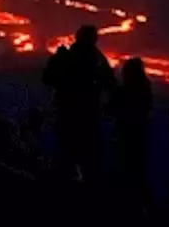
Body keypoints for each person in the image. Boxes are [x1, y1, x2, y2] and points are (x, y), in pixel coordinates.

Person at [42, 25, 116, 184]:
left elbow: (48, 78)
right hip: (86, 116)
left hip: (70, 114)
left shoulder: (72, 57)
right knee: (85, 160)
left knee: (67, 157)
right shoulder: (97, 60)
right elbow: (110, 83)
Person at [111, 57, 153, 201]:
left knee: (126, 168)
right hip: (138, 135)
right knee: (135, 169)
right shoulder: (144, 87)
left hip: (128, 134)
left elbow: (114, 107)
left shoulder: (128, 89)